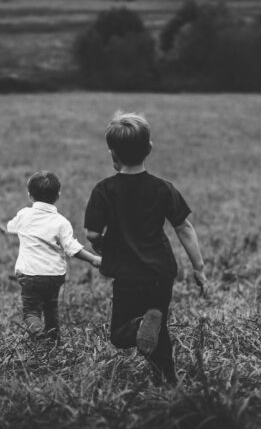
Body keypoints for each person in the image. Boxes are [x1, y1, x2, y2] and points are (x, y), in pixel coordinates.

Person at [84, 111, 208, 385]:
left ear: (112, 153)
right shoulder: (163, 188)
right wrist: (198, 267)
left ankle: (142, 326)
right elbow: (184, 228)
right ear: (149, 149)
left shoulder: (104, 190)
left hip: (127, 274)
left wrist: (102, 246)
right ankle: (167, 380)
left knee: (120, 333)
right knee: (157, 328)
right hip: (160, 272)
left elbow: (92, 232)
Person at [7, 171, 101, 342]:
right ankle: (54, 340)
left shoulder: (23, 215)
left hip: (29, 274)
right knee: (51, 307)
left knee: (30, 311)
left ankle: (38, 333)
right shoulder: (61, 222)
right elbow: (72, 248)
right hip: (54, 275)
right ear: (58, 195)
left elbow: (10, 227)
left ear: (29, 195)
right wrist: (94, 258)